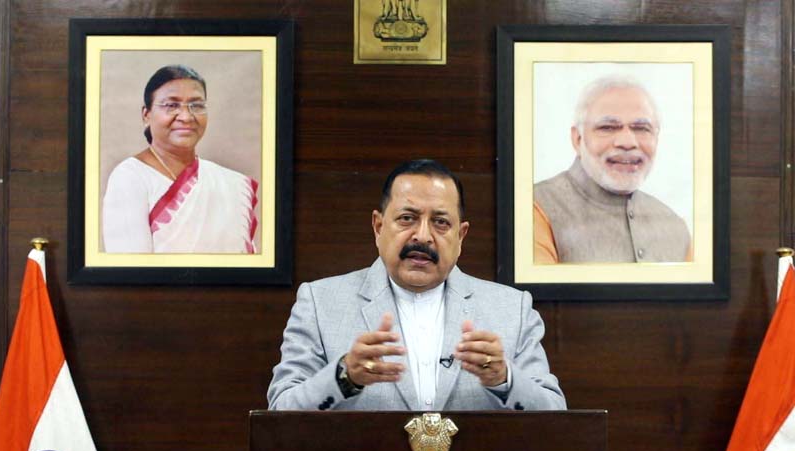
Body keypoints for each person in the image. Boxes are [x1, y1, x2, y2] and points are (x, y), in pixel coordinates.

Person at [268, 159, 565, 411]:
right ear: (378, 226)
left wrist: (504, 378)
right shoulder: (320, 303)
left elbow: (555, 413)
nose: (422, 236)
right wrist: (345, 376)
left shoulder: (512, 309)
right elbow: (280, 408)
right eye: (407, 218)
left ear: (461, 236)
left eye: (440, 222)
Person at [533, 75, 692, 264]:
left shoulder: (676, 228)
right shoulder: (535, 207)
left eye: (641, 128)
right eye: (607, 127)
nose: (627, 142)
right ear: (577, 139)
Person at [102, 65, 258, 253]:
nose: (186, 117)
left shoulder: (232, 184)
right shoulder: (130, 177)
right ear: (146, 115)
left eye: (197, 105)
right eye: (171, 105)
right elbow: (130, 272)